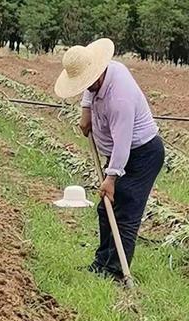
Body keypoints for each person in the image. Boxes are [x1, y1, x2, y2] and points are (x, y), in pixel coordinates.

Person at [54, 38, 165, 281]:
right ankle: (101, 263)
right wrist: (86, 111)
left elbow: (123, 143)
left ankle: (115, 270)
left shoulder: (119, 98)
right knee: (106, 209)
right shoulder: (103, 73)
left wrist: (111, 177)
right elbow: (88, 90)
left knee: (125, 211)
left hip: (142, 154)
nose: (84, 86)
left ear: (96, 74)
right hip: (121, 153)